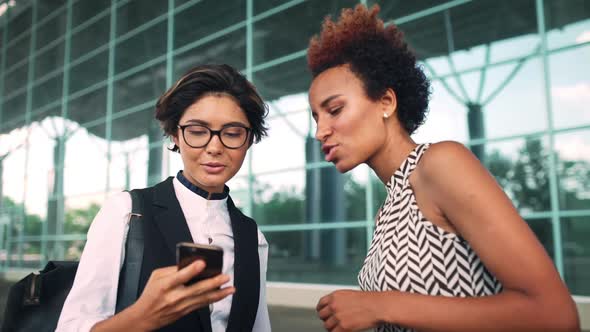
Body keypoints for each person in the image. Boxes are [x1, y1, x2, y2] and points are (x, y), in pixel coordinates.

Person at [307, 5, 580, 332]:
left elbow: (554, 314)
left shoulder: (440, 163)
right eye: (316, 117)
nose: (320, 131)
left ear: (386, 102)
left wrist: (380, 305)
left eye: (334, 110)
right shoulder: (391, 205)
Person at [56, 64, 271, 332]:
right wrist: (140, 318)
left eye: (232, 133)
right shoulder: (127, 213)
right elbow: (70, 327)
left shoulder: (253, 236)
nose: (214, 147)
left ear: (249, 139)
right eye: (197, 131)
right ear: (174, 135)